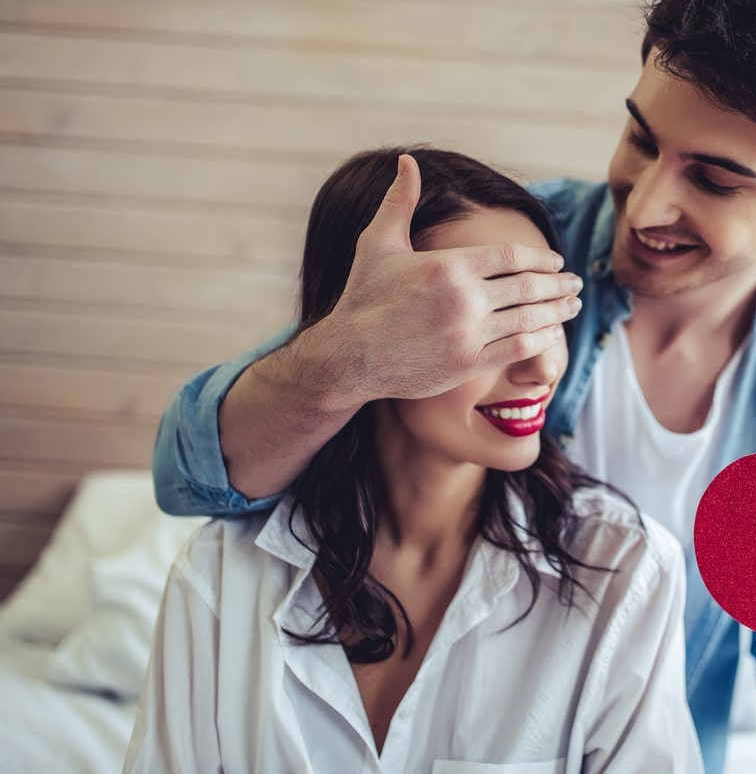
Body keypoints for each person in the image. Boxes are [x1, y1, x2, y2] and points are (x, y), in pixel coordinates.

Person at [153, 0, 756, 774]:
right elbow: (191, 470)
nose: (648, 201)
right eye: (641, 138)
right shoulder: (505, 247)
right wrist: (353, 356)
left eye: (713, 180)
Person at [128, 147, 702, 772]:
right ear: (363, 330)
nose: (542, 367)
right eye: (492, 321)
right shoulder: (221, 578)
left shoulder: (622, 572)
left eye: (547, 317)